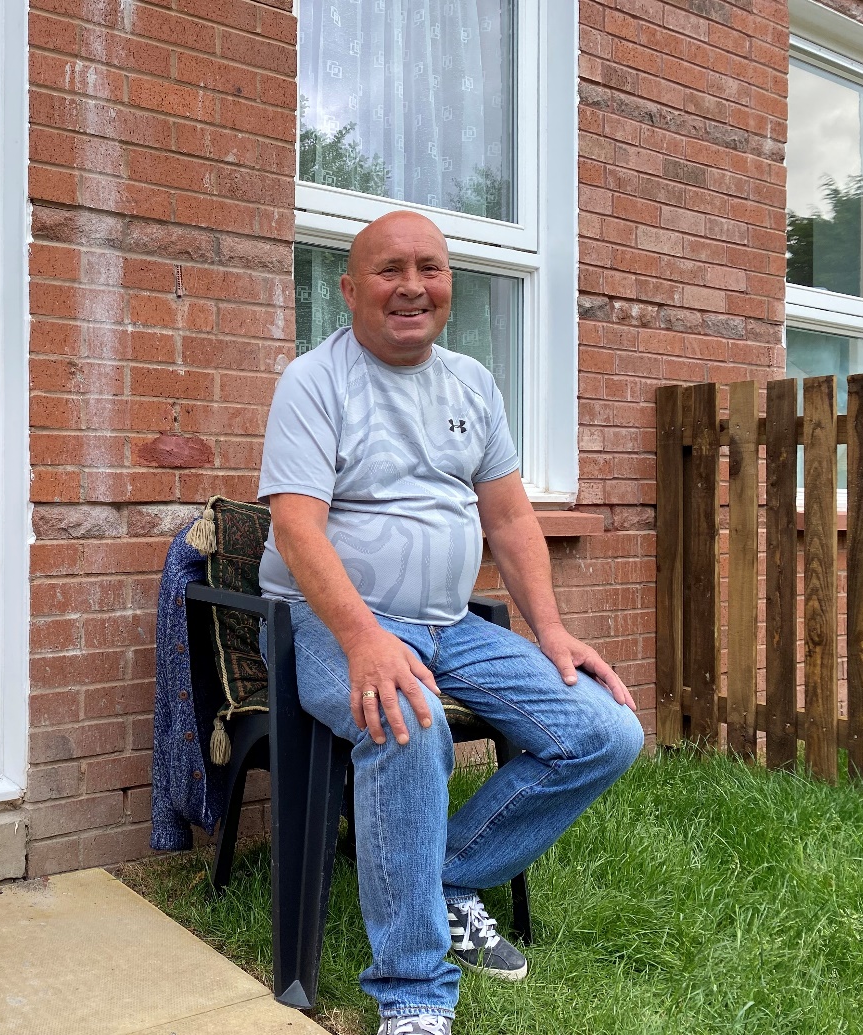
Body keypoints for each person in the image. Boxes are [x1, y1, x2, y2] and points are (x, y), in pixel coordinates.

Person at [259, 210, 644, 1035]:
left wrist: (551, 631)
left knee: (606, 730)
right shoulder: (314, 382)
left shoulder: (472, 382)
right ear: (349, 288)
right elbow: (296, 528)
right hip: (330, 623)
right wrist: (365, 639)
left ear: (449, 285)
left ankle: (446, 874)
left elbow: (509, 517)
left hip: (452, 623)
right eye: (389, 270)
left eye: (429, 269)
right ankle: (413, 989)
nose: (412, 287)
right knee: (409, 717)